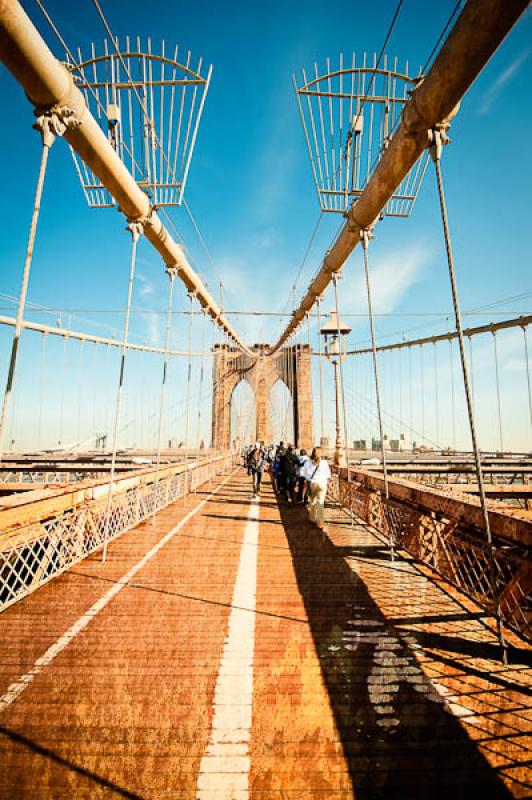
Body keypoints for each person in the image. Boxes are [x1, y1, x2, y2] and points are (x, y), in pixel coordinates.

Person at [304, 447, 331, 530]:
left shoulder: (308, 462)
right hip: (322, 484)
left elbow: (305, 474)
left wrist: (310, 480)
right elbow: (328, 474)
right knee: (320, 502)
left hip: (313, 483)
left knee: (313, 501)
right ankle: (320, 523)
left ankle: (312, 518)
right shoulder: (324, 462)